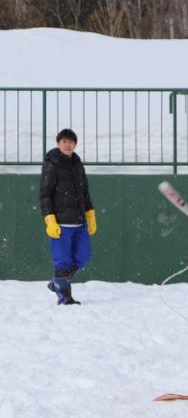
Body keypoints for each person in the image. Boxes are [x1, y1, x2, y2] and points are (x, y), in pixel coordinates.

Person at [39, 129, 96, 305]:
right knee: (62, 261)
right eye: (64, 141)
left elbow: (84, 192)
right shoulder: (52, 163)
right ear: (58, 143)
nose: (67, 144)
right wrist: (50, 219)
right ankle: (64, 296)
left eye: (71, 141)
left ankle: (57, 281)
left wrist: (90, 214)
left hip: (79, 222)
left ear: (75, 144)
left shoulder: (77, 163)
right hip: (61, 223)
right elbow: (45, 194)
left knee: (83, 256)